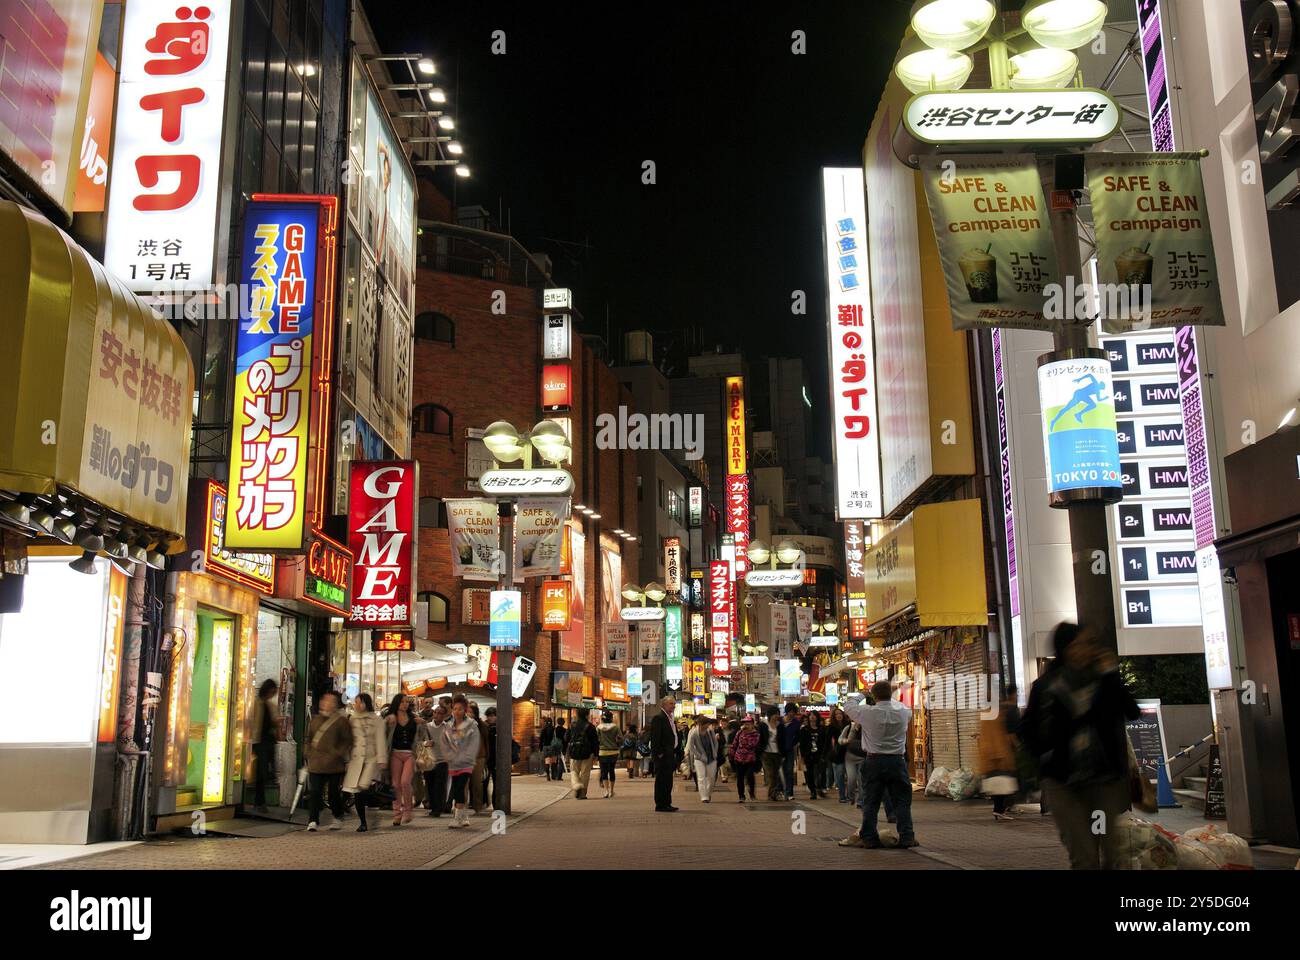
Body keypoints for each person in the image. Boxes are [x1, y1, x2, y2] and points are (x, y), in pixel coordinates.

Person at [1021, 622, 1140, 869]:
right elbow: (1028, 731)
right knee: (1084, 855)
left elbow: (1132, 711)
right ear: (1066, 649)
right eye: (1081, 644)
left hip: (1102, 783)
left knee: (1111, 851)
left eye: (1090, 643)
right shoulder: (1046, 687)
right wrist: (1044, 763)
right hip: (1064, 786)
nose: (1087, 649)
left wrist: (1110, 673)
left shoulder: (1103, 680)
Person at [839, 682, 917, 849]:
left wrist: (862, 694)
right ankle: (907, 836)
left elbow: (848, 705)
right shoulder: (903, 712)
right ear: (890, 694)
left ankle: (869, 838)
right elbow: (903, 706)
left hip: (874, 761)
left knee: (871, 801)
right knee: (902, 801)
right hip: (897, 761)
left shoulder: (867, 712)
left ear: (874, 697)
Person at [305, 690, 353, 832]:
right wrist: (308, 753)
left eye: (331, 701)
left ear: (336, 704)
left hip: (334, 765)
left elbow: (347, 740)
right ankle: (313, 820)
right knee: (315, 793)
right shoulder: (315, 720)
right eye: (325, 700)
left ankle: (337, 816)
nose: (327, 703)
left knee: (333, 794)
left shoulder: (341, 722)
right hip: (316, 764)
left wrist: (338, 752)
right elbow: (308, 739)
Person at [342, 693, 388, 832]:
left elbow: (380, 739)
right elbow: (348, 740)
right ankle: (363, 822)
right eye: (355, 702)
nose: (356, 705)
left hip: (370, 760)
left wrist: (381, 759)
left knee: (363, 788)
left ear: (366, 703)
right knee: (356, 791)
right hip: (355, 760)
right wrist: (344, 757)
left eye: (359, 702)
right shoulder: (351, 719)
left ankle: (376, 808)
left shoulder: (376, 720)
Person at [980, 686, 1023, 821]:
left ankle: (999, 809)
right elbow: (1004, 733)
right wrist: (1016, 745)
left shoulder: (985, 713)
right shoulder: (998, 713)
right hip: (999, 752)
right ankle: (1000, 809)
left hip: (988, 753)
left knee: (997, 783)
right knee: (1003, 782)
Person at [439, 694, 481, 829]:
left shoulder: (472, 724)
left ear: (465, 710)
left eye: (460, 709)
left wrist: (466, 756)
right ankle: (464, 817)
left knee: (458, 788)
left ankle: (457, 818)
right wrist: (448, 755)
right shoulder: (449, 725)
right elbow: (444, 743)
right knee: (458, 788)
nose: (457, 711)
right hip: (453, 762)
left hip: (466, 763)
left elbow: (474, 743)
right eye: (455, 709)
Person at [386, 694, 420, 826]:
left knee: (405, 782)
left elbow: (420, 736)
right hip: (395, 753)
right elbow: (382, 732)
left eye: (406, 702)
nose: (405, 704)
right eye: (402, 702)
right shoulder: (390, 718)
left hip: (409, 754)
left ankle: (408, 810)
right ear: (396, 703)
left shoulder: (413, 719)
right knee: (395, 785)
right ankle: (396, 814)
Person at [249, 678, 280, 813]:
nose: (272, 694)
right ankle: (259, 802)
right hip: (258, 742)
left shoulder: (271, 705)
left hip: (269, 741)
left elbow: (274, 722)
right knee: (260, 772)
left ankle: (260, 801)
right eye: (272, 691)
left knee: (267, 772)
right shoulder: (256, 704)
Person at [650, 695, 679, 812]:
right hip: (663, 756)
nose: (673, 706)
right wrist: (659, 753)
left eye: (674, 704)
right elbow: (655, 738)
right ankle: (661, 804)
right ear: (664, 704)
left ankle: (667, 802)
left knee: (668, 780)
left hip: (669, 754)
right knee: (662, 780)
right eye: (671, 704)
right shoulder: (659, 718)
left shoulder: (670, 718)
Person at [422, 702, 451, 817]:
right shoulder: (427, 727)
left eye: (440, 713)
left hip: (443, 760)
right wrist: (426, 743)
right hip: (429, 760)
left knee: (440, 785)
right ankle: (433, 807)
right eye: (436, 712)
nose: (437, 715)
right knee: (430, 785)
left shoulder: (448, 727)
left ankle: (438, 809)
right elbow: (419, 742)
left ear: (444, 716)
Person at [565, 707, 599, 799]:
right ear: (587, 715)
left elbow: (566, 738)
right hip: (588, 753)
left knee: (574, 771)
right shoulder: (591, 726)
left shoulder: (572, 725)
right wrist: (596, 754)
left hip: (574, 752)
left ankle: (576, 785)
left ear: (577, 714)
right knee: (585, 773)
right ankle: (582, 794)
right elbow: (595, 741)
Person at [798, 709, 830, 800]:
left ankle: (819, 787)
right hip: (808, 754)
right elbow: (802, 743)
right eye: (810, 715)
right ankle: (813, 791)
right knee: (809, 774)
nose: (812, 717)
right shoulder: (805, 729)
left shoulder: (822, 729)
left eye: (814, 715)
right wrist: (803, 755)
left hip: (819, 754)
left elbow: (825, 742)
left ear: (817, 717)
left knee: (820, 772)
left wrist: (824, 753)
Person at [685, 716, 717, 803]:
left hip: (711, 757)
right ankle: (704, 797)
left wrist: (715, 753)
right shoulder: (694, 732)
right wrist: (698, 755)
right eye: (707, 724)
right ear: (701, 724)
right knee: (701, 777)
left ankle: (708, 793)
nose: (708, 726)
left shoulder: (710, 731)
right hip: (699, 759)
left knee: (712, 778)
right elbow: (691, 746)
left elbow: (715, 743)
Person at [729, 714, 761, 802]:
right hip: (739, 758)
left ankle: (752, 793)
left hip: (750, 759)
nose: (746, 725)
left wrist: (746, 736)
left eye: (748, 723)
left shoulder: (756, 734)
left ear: (752, 724)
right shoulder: (739, 732)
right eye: (745, 723)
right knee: (740, 778)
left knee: (750, 776)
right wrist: (731, 754)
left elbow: (752, 745)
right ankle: (741, 796)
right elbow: (734, 744)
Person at [840, 717, 866, 807]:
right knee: (851, 779)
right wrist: (847, 740)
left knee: (861, 780)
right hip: (850, 756)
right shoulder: (850, 727)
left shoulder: (867, 728)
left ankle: (860, 801)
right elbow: (840, 739)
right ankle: (851, 796)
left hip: (863, 756)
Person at [759, 708, 784, 800]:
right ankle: (772, 793)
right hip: (766, 753)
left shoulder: (780, 726)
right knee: (771, 773)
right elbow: (760, 739)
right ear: (770, 715)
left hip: (777, 752)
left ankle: (772, 794)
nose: (776, 716)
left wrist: (783, 753)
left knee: (776, 774)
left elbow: (782, 740)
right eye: (775, 714)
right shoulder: (763, 725)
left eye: (778, 714)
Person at [469, 702, 489, 814]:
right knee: (464, 784)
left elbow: (486, 742)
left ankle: (478, 806)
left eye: (471, 712)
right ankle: (461, 807)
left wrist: (486, 756)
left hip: (479, 757)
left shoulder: (482, 725)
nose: (469, 714)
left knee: (477, 783)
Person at [596, 711, 621, 798]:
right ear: (611, 718)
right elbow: (620, 739)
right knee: (612, 770)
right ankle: (612, 791)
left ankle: (606, 791)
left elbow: (596, 739)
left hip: (602, 752)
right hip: (613, 751)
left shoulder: (598, 727)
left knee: (604, 771)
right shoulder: (616, 727)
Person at [779, 704, 802, 801]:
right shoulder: (780, 722)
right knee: (780, 772)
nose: (792, 713)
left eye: (793, 712)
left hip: (789, 750)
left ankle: (789, 792)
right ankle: (780, 790)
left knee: (789, 771)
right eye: (790, 711)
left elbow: (798, 736)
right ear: (787, 711)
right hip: (779, 750)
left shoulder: (796, 723)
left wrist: (792, 743)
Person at [828, 707, 848, 802]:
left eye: (840, 713)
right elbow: (827, 741)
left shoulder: (848, 725)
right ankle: (842, 796)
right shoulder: (831, 727)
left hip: (849, 752)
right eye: (836, 714)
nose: (838, 715)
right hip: (838, 754)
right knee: (840, 775)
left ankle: (849, 795)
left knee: (850, 776)